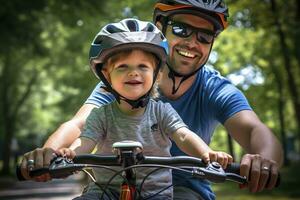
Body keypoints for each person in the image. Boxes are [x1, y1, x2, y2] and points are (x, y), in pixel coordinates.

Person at [20, 0, 283, 199]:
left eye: (205, 36)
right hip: (112, 185)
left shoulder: (213, 87)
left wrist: (264, 161)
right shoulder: (120, 87)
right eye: (181, 29)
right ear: (160, 28)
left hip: (184, 190)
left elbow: (253, 129)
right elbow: (79, 125)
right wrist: (50, 155)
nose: (193, 43)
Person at [60, 18, 233, 200]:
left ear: (157, 74)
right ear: (106, 75)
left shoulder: (162, 112)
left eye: (143, 66)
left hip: (156, 193)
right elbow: (86, 140)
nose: (134, 72)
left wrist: (207, 153)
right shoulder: (101, 115)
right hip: (106, 191)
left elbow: (183, 135)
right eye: (122, 67)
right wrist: (70, 155)